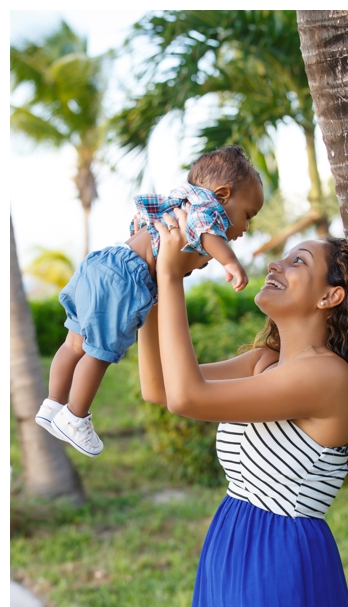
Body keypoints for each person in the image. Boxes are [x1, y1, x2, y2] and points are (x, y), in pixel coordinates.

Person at [138, 208, 348, 607]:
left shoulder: (327, 376)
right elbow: (159, 388)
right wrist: (148, 280)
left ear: (330, 296)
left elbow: (189, 398)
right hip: (230, 546)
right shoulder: (264, 362)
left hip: (279, 562)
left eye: (297, 261)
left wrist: (172, 278)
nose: (275, 265)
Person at [35, 145, 262, 458]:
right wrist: (230, 262)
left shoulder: (174, 203)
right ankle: (75, 415)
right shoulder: (206, 208)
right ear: (223, 195)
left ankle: (52, 404)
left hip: (104, 261)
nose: (247, 226)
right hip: (126, 276)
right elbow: (207, 231)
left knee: (74, 344)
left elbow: (143, 233)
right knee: (99, 352)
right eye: (247, 214)